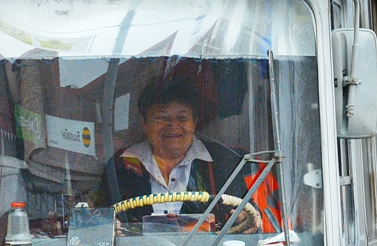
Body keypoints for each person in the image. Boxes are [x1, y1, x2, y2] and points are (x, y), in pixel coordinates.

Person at [97, 75, 265, 232]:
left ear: (195, 122)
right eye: (162, 118)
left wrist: (247, 217)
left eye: (182, 118)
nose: (173, 125)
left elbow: (247, 210)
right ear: (144, 124)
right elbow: (100, 222)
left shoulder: (222, 162)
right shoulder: (121, 166)